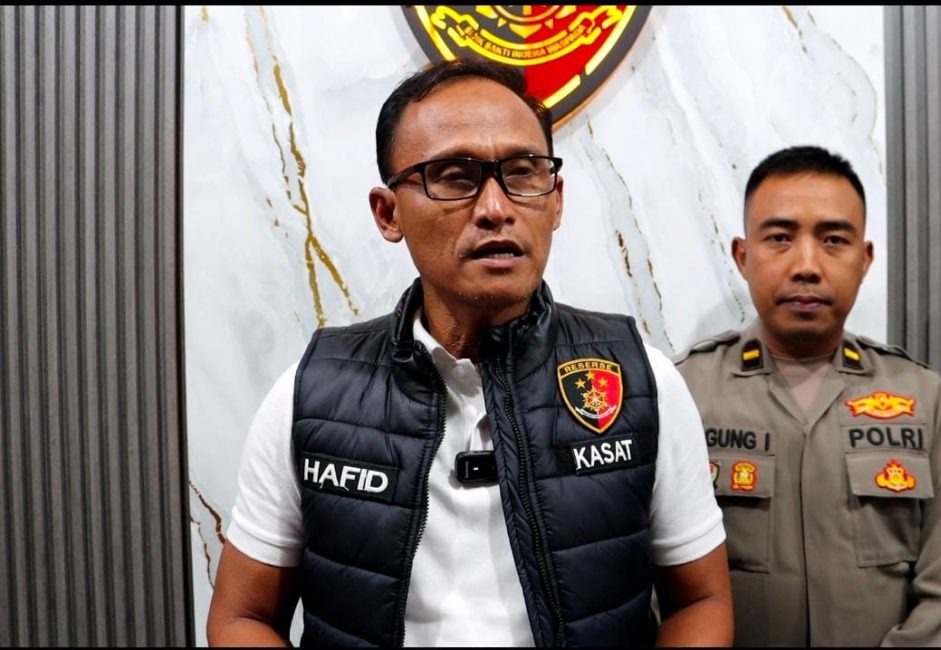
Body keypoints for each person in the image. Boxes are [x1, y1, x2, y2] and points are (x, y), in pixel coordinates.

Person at [205, 59, 732, 647]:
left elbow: (702, 601)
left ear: (556, 201)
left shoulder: (640, 381)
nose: (496, 208)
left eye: (523, 173)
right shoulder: (311, 394)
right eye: (455, 177)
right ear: (388, 213)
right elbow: (242, 617)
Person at [674, 145, 941, 646]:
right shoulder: (684, 394)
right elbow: (652, 579)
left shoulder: (923, 398)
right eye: (780, 238)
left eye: (834, 240)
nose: (807, 265)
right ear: (743, 256)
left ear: (865, 260)